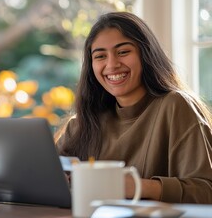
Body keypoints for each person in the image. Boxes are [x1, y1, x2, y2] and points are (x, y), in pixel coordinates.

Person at [56, 12, 212, 203]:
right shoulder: (83, 123)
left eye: (123, 52)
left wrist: (136, 186)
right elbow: (48, 176)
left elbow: (206, 191)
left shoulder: (175, 106)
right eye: (100, 56)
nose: (112, 64)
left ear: (146, 54)